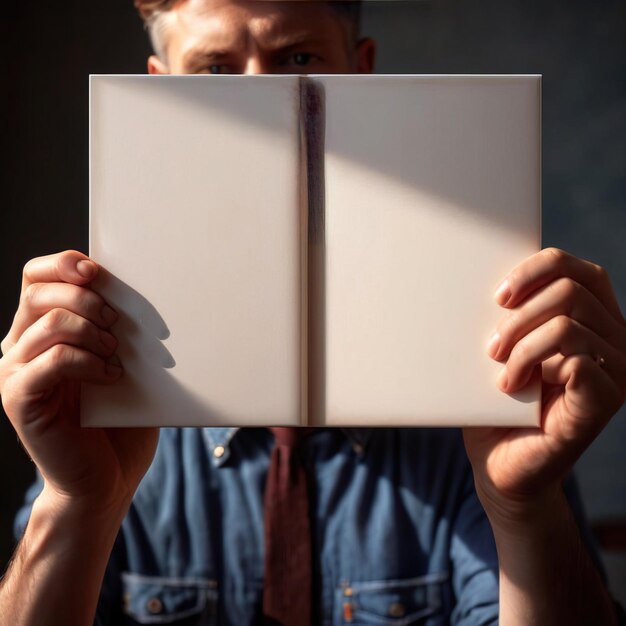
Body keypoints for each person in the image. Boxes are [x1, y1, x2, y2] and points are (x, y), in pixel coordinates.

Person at [1, 1, 625, 624]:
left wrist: (524, 510)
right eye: (215, 71)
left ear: (359, 73)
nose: (260, 102)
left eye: (297, 59)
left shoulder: (485, 387)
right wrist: (76, 502)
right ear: (160, 93)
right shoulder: (108, 408)